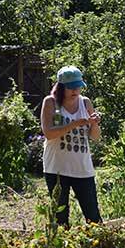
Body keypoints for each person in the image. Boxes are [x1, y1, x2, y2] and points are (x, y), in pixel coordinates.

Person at [41, 66, 102, 226]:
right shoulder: (50, 103)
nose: (75, 90)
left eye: (78, 86)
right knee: (60, 217)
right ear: (61, 87)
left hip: (82, 168)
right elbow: (48, 133)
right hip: (56, 169)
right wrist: (74, 124)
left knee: (93, 216)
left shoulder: (85, 102)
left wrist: (94, 124)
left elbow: (95, 137)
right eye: (71, 87)